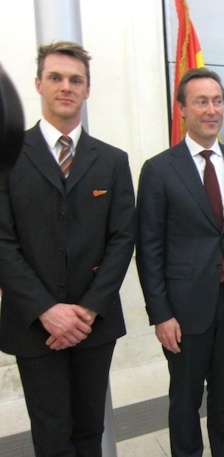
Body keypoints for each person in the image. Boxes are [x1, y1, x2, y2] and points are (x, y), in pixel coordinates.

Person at [0, 41, 136, 456]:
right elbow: (2, 241)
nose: (66, 87)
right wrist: (47, 311)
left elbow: (122, 238)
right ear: (38, 84)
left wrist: (89, 309)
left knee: (89, 429)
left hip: (94, 324)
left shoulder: (112, 160)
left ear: (88, 90)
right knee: (51, 432)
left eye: (76, 80)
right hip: (32, 323)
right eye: (56, 77)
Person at [136, 67, 224, 457]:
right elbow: (149, 248)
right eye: (200, 101)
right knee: (185, 402)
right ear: (182, 109)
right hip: (183, 309)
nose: (211, 110)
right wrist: (161, 313)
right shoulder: (159, 169)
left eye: (217, 101)